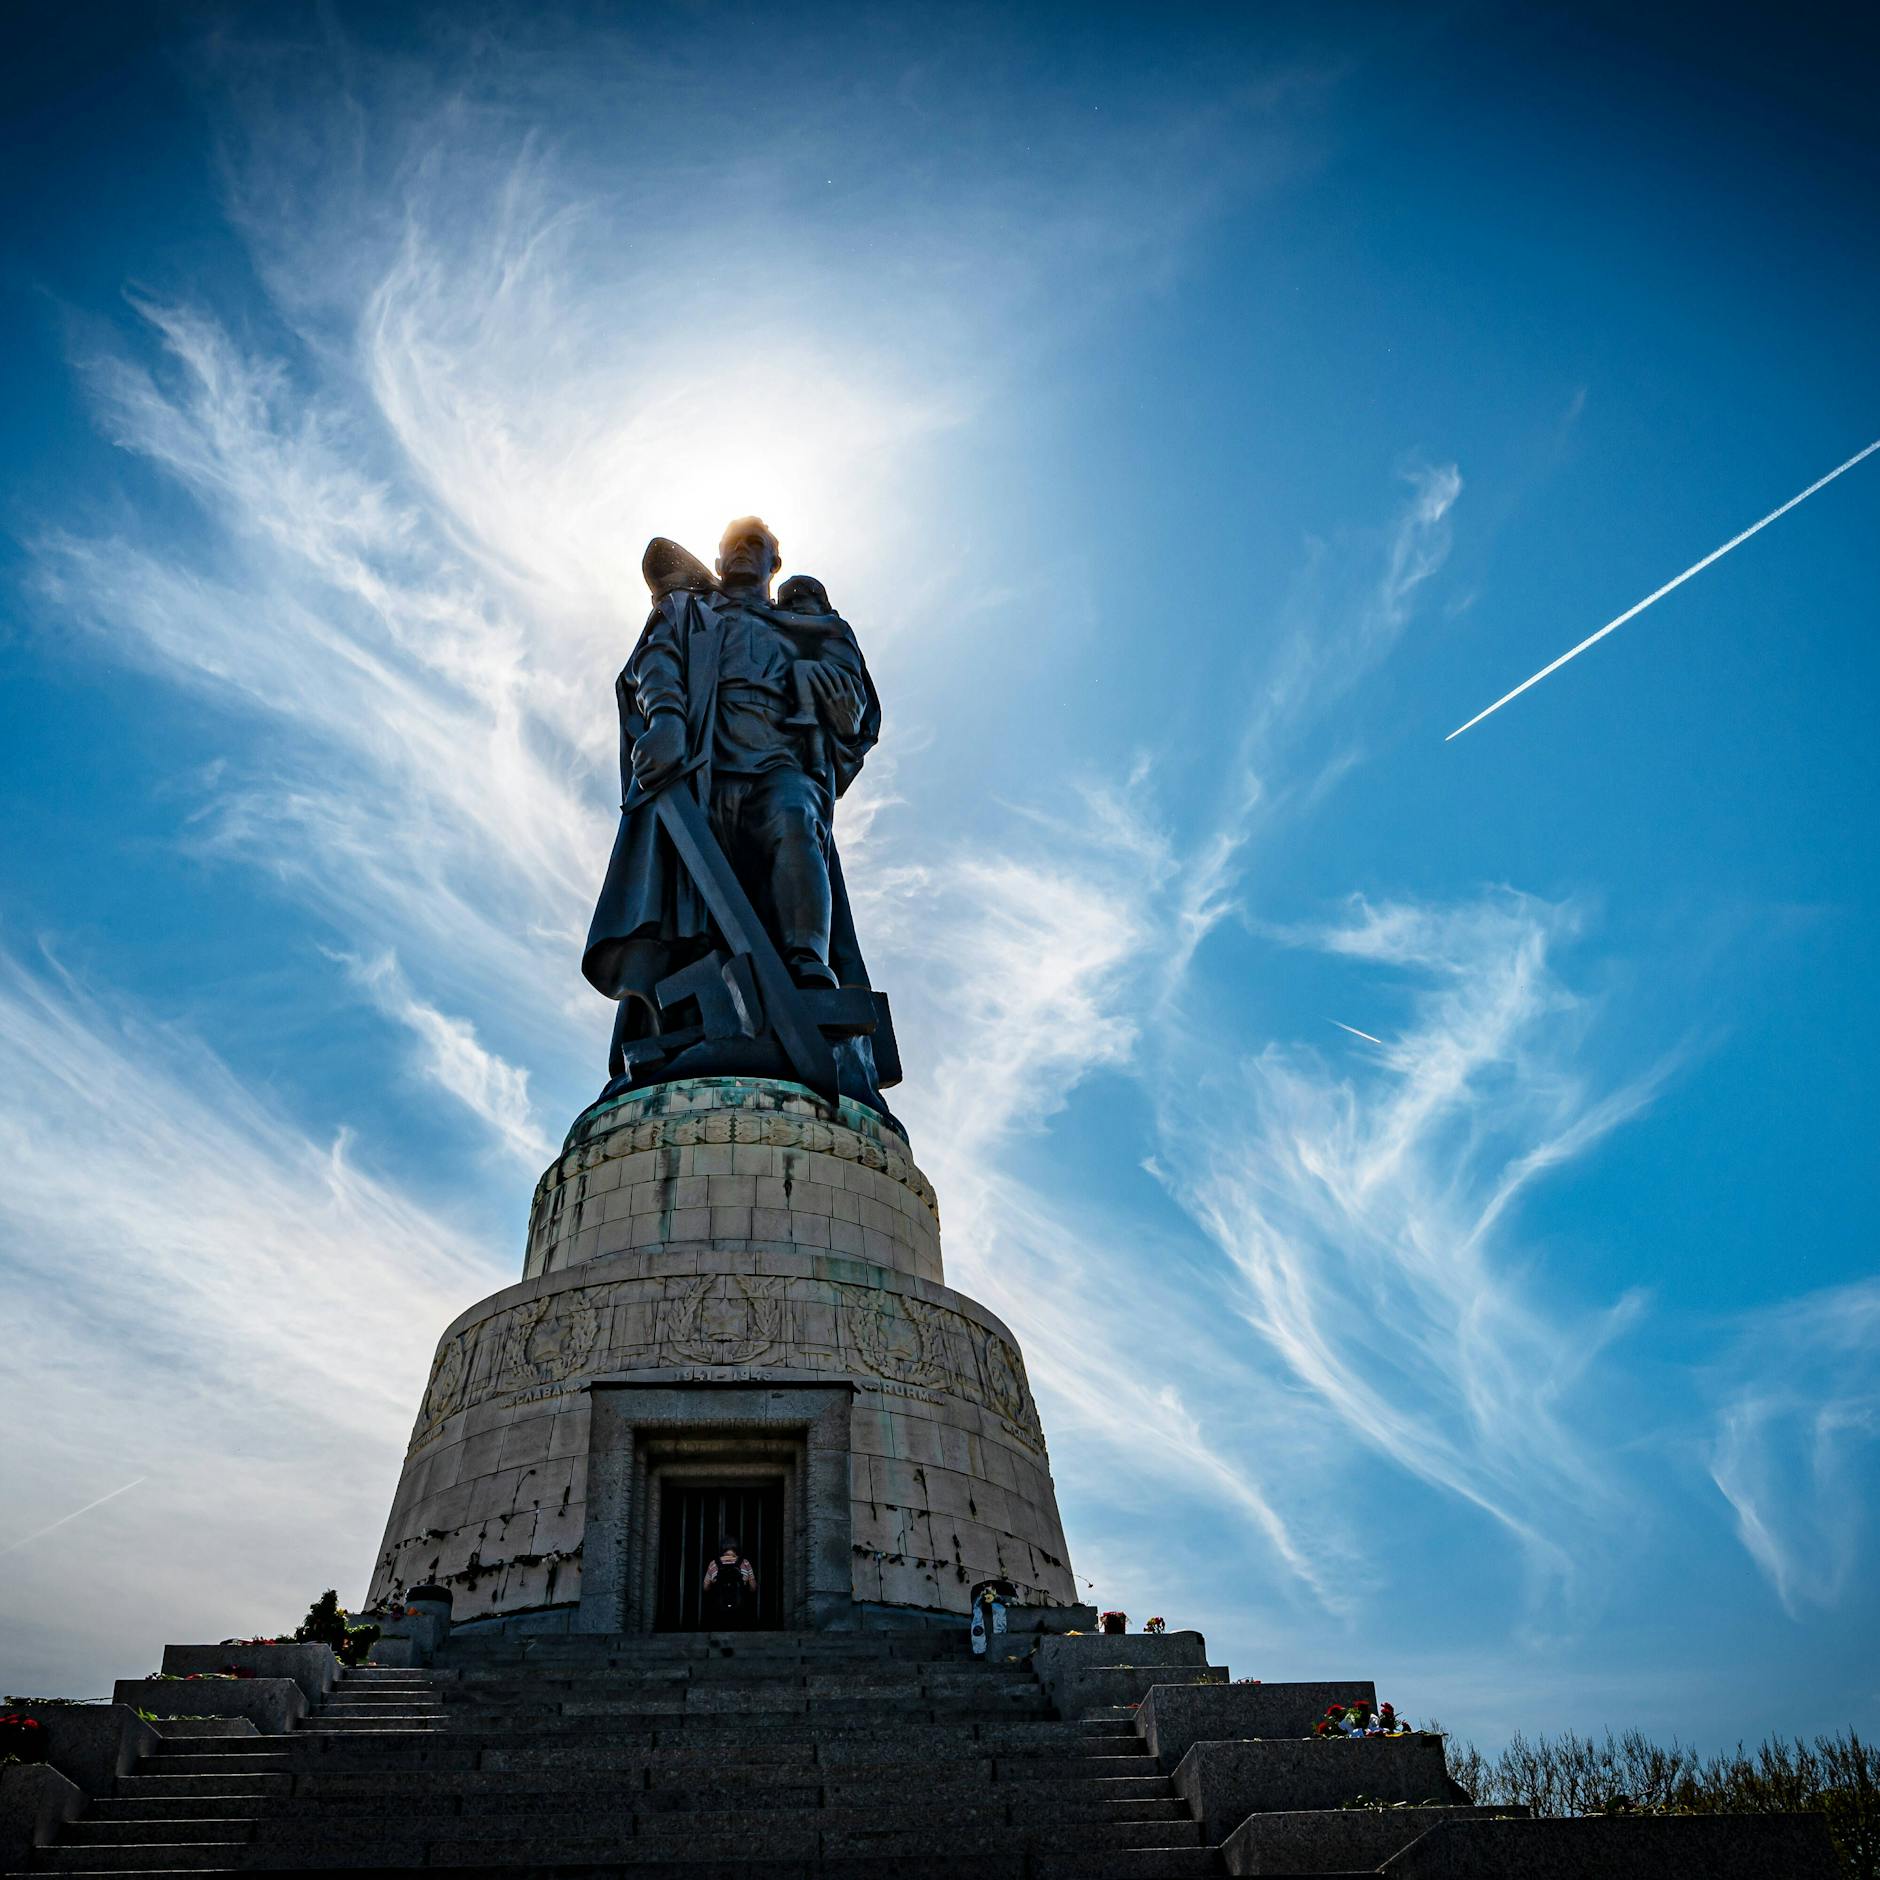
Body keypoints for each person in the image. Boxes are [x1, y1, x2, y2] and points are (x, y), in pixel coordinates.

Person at [583, 518, 886, 1096]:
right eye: (732, 546)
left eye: (757, 545)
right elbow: (655, 664)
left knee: (796, 824)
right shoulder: (688, 613)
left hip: (780, 764)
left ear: (775, 562)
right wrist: (667, 720)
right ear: (719, 563)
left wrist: (824, 680)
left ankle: (806, 970)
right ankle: (693, 1021)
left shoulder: (808, 627)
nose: (743, 553)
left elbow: (856, 714)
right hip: (700, 770)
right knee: (696, 906)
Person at [701, 1537, 757, 1628]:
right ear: (737, 1548)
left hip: (719, 1610)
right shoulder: (745, 1562)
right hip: (740, 1610)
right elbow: (753, 1588)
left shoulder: (713, 1563)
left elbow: (705, 1588)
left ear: (722, 1548)